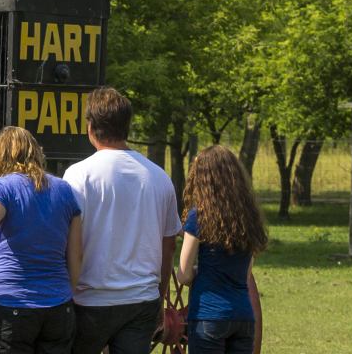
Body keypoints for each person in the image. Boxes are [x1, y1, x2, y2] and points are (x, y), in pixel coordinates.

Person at [62, 87, 181, 354]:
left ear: (91, 127)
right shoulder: (159, 177)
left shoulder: (78, 176)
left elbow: (68, 242)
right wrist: (160, 297)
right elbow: (168, 247)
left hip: (89, 299)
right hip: (141, 300)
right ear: (127, 126)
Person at [0, 126, 85, 354]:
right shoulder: (64, 190)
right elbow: (76, 253)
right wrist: (67, 291)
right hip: (58, 306)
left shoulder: (1, 187)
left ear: (0, 155)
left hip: (11, 304)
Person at [176, 146, 265, 354]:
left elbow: (183, 274)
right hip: (243, 317)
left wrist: (199, 272)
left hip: (209, 316)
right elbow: (245, 274)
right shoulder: (249, 217)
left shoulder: (198, 217)